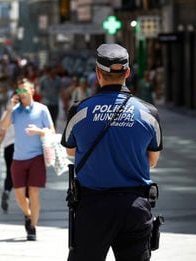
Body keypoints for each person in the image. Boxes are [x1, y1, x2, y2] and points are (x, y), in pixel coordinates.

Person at [61, 43, 163, 261]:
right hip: (135, 206)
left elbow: (70, 150)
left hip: (93, 207)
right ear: (127, 72)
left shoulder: (79, 110)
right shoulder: (149, 113)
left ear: (98, 73)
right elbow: (152, 160)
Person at [0, 78, 55, 241]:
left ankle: (32, 227)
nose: (21, 93)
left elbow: (52, 131)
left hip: (36, 157)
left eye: (24, 90)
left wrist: (39, 131)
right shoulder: (15, 111)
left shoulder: (42, 109)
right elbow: (3, 126)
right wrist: (9, 109)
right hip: (18, 158)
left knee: (34, 192)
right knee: (18, 193)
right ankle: (28, 214)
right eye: (19, 91)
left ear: (32, 91)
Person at [0, 104, 15, 212]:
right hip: (22, 148)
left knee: (9, 173)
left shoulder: (6, 113)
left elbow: (1, 133)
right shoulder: (25, 112)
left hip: (9, 147)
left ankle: (7, 191)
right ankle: (27, 198)